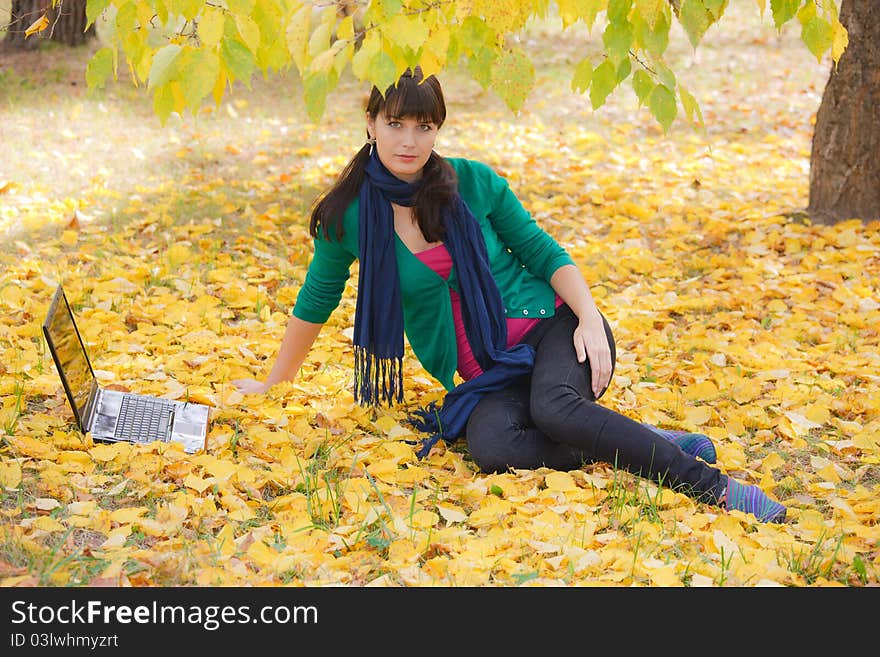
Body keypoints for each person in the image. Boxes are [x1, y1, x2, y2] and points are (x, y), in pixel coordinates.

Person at [232, 67, 786, 524]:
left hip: (554, 330)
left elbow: (543, 253)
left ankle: (712, 487)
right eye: (395, 122)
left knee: (553, 406)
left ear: (438, 130)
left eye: (424, 127)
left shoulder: (473, 183)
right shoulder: (348, 216)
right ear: (371, 122)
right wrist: (274, 382)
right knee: (494, 448)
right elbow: (316, 298)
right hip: (488, 373)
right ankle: (636, 439)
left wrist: (589, 319)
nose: (409, 140)